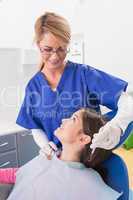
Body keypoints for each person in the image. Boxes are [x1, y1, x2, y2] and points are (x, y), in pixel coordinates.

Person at [16, 11, 133, 157]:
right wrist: (45, 145)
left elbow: (127, 102)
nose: (55, 56)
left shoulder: (84, 75)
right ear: (38, 45)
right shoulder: (34, 86)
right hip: (60, 162)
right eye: (47, 49)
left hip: (90, 161)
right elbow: (35, 126)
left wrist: (118, 126)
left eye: (61, 49)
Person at [7, 108, 122, 200]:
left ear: (83, 139)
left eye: (73, 119)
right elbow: (22, 174)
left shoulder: (87, 183)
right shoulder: (49, 156)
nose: (63, 120)